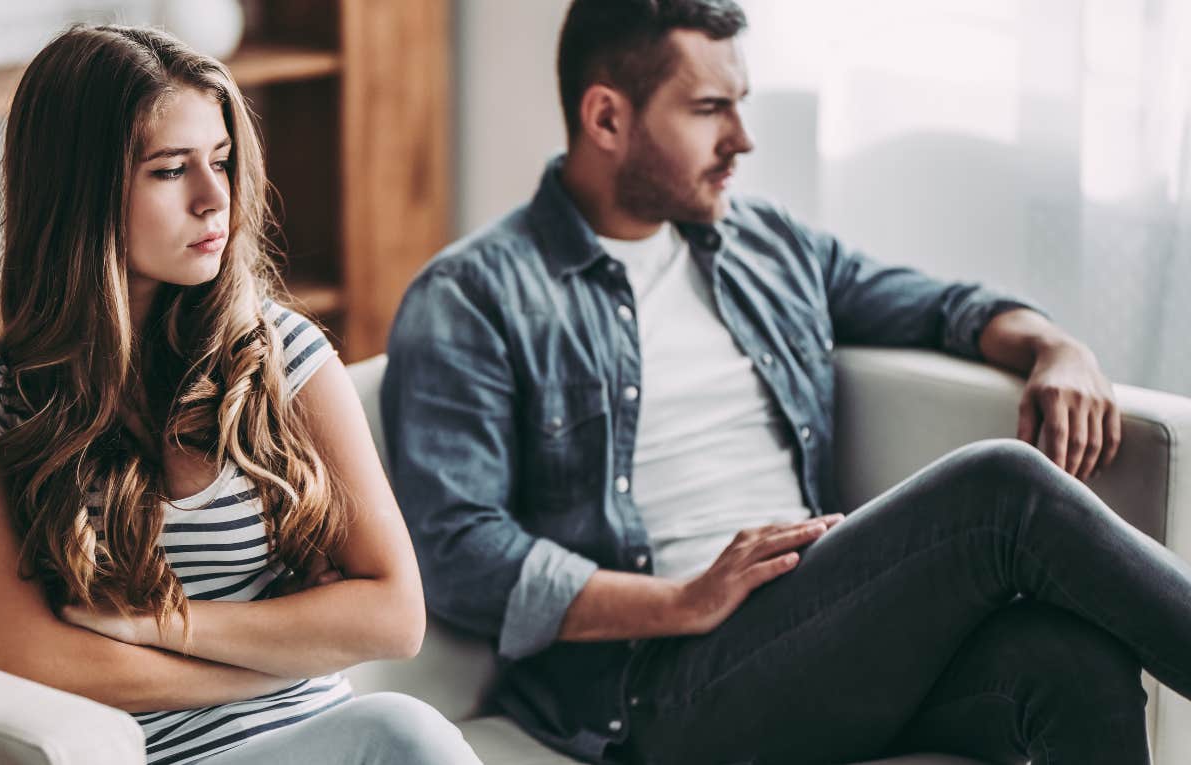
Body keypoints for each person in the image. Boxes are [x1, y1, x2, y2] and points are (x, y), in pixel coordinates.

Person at [380, 2, 1191, 763]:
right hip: (657, 684)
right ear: (606, 119)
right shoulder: (475, 295)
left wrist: (1056, 344)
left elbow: (940, 308)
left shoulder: (762, 242)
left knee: (1071, 658)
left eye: (741, 103)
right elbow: (460, 551)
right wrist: (682, 601)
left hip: (814, 638)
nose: (743, 138)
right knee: (1004, 487)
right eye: (708, 110)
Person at [0, 24, 481, 765]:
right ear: (80, 192)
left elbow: (395, 615)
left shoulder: (284, 353)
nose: (216, 199)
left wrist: (156, 624)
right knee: (402, 732)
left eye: (221, 161)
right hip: (157, 755)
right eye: (170, 170)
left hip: (330, 739)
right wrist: (287, 646)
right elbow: (32, 660)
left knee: (404, 732)